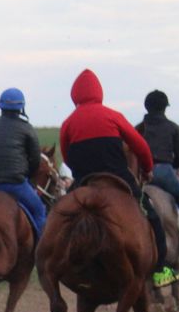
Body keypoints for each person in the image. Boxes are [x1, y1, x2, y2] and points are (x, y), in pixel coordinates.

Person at [58, 68, 163, 268]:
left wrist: (81, 171)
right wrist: (148, 168)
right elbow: (140, 146)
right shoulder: (113, 116)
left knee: (61, 215)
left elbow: (66, 157)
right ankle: (160, 268)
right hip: (118, 177)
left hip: (83, 180)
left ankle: (58, 264)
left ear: (75, 95)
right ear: (99, 92)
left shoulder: (68, 123)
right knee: (151, 213)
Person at [0, 88, 47, 237]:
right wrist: (29, 176)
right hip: (15, 184)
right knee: (39, 210)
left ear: (0, 106)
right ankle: (42, 251)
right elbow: (35, 159)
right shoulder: (27, 128)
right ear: (21, 108)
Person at [136, 90, 179, 225]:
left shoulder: (137, 129)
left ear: (146, 107)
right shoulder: (173, 128)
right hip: (164, 170)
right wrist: (176, 165)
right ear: (165, 107)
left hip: (141, 173)